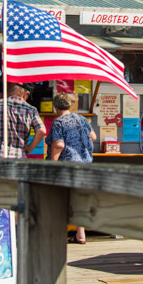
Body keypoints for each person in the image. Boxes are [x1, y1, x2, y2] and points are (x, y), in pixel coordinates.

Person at [47, 92, 96, 243]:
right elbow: (93, 137)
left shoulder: (59, 122)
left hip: (67, 166)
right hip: (85, 164)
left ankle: (57, 233)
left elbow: (58, 144)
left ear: (56, 107)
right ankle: (81, 234)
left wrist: (53, 165)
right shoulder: (81, 118)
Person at [0, 83, 46, 158]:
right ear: (25, 94)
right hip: (19, 156)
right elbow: (42, 130)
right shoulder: (31, 110)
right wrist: (29, 148)